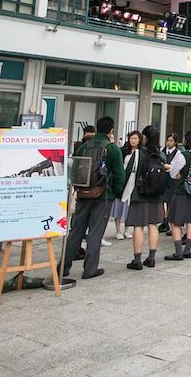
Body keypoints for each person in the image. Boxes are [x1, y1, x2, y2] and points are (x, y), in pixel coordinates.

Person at [61, 116, 125, 286]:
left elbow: (73, 168)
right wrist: (116, 193)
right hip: (103, 195)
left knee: (76, 231)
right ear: (111, 130)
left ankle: (63, 267)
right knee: (95, 233)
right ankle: (90, 269)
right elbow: (119, 175)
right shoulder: (112, 149)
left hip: (83, 194)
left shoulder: (83, 146)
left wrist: (77, 188)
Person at [125, 127, 165, 270]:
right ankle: (152, 257)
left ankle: (137, 259)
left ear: (145, 137)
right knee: (153, 225)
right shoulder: (160, 154)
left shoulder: (138, 153)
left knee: (138, 225)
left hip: (139, 194)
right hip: (156, 195)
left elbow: (129, 171)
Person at [164, 131, 191, 261]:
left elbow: (173, 173)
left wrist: (179, 175)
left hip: (181, 190)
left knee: (175, 221)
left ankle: (178, 252)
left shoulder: (183, 155)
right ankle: (188, 250)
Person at [112, 130, 141, 240]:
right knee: (119, 204)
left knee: (129, 206)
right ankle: (118, 230)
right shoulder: (123, 151)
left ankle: (127, 229)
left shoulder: (140, 152)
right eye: (131, 138)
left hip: (133, 181)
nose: (133, 141)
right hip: (123, 180)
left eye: (135, 138)